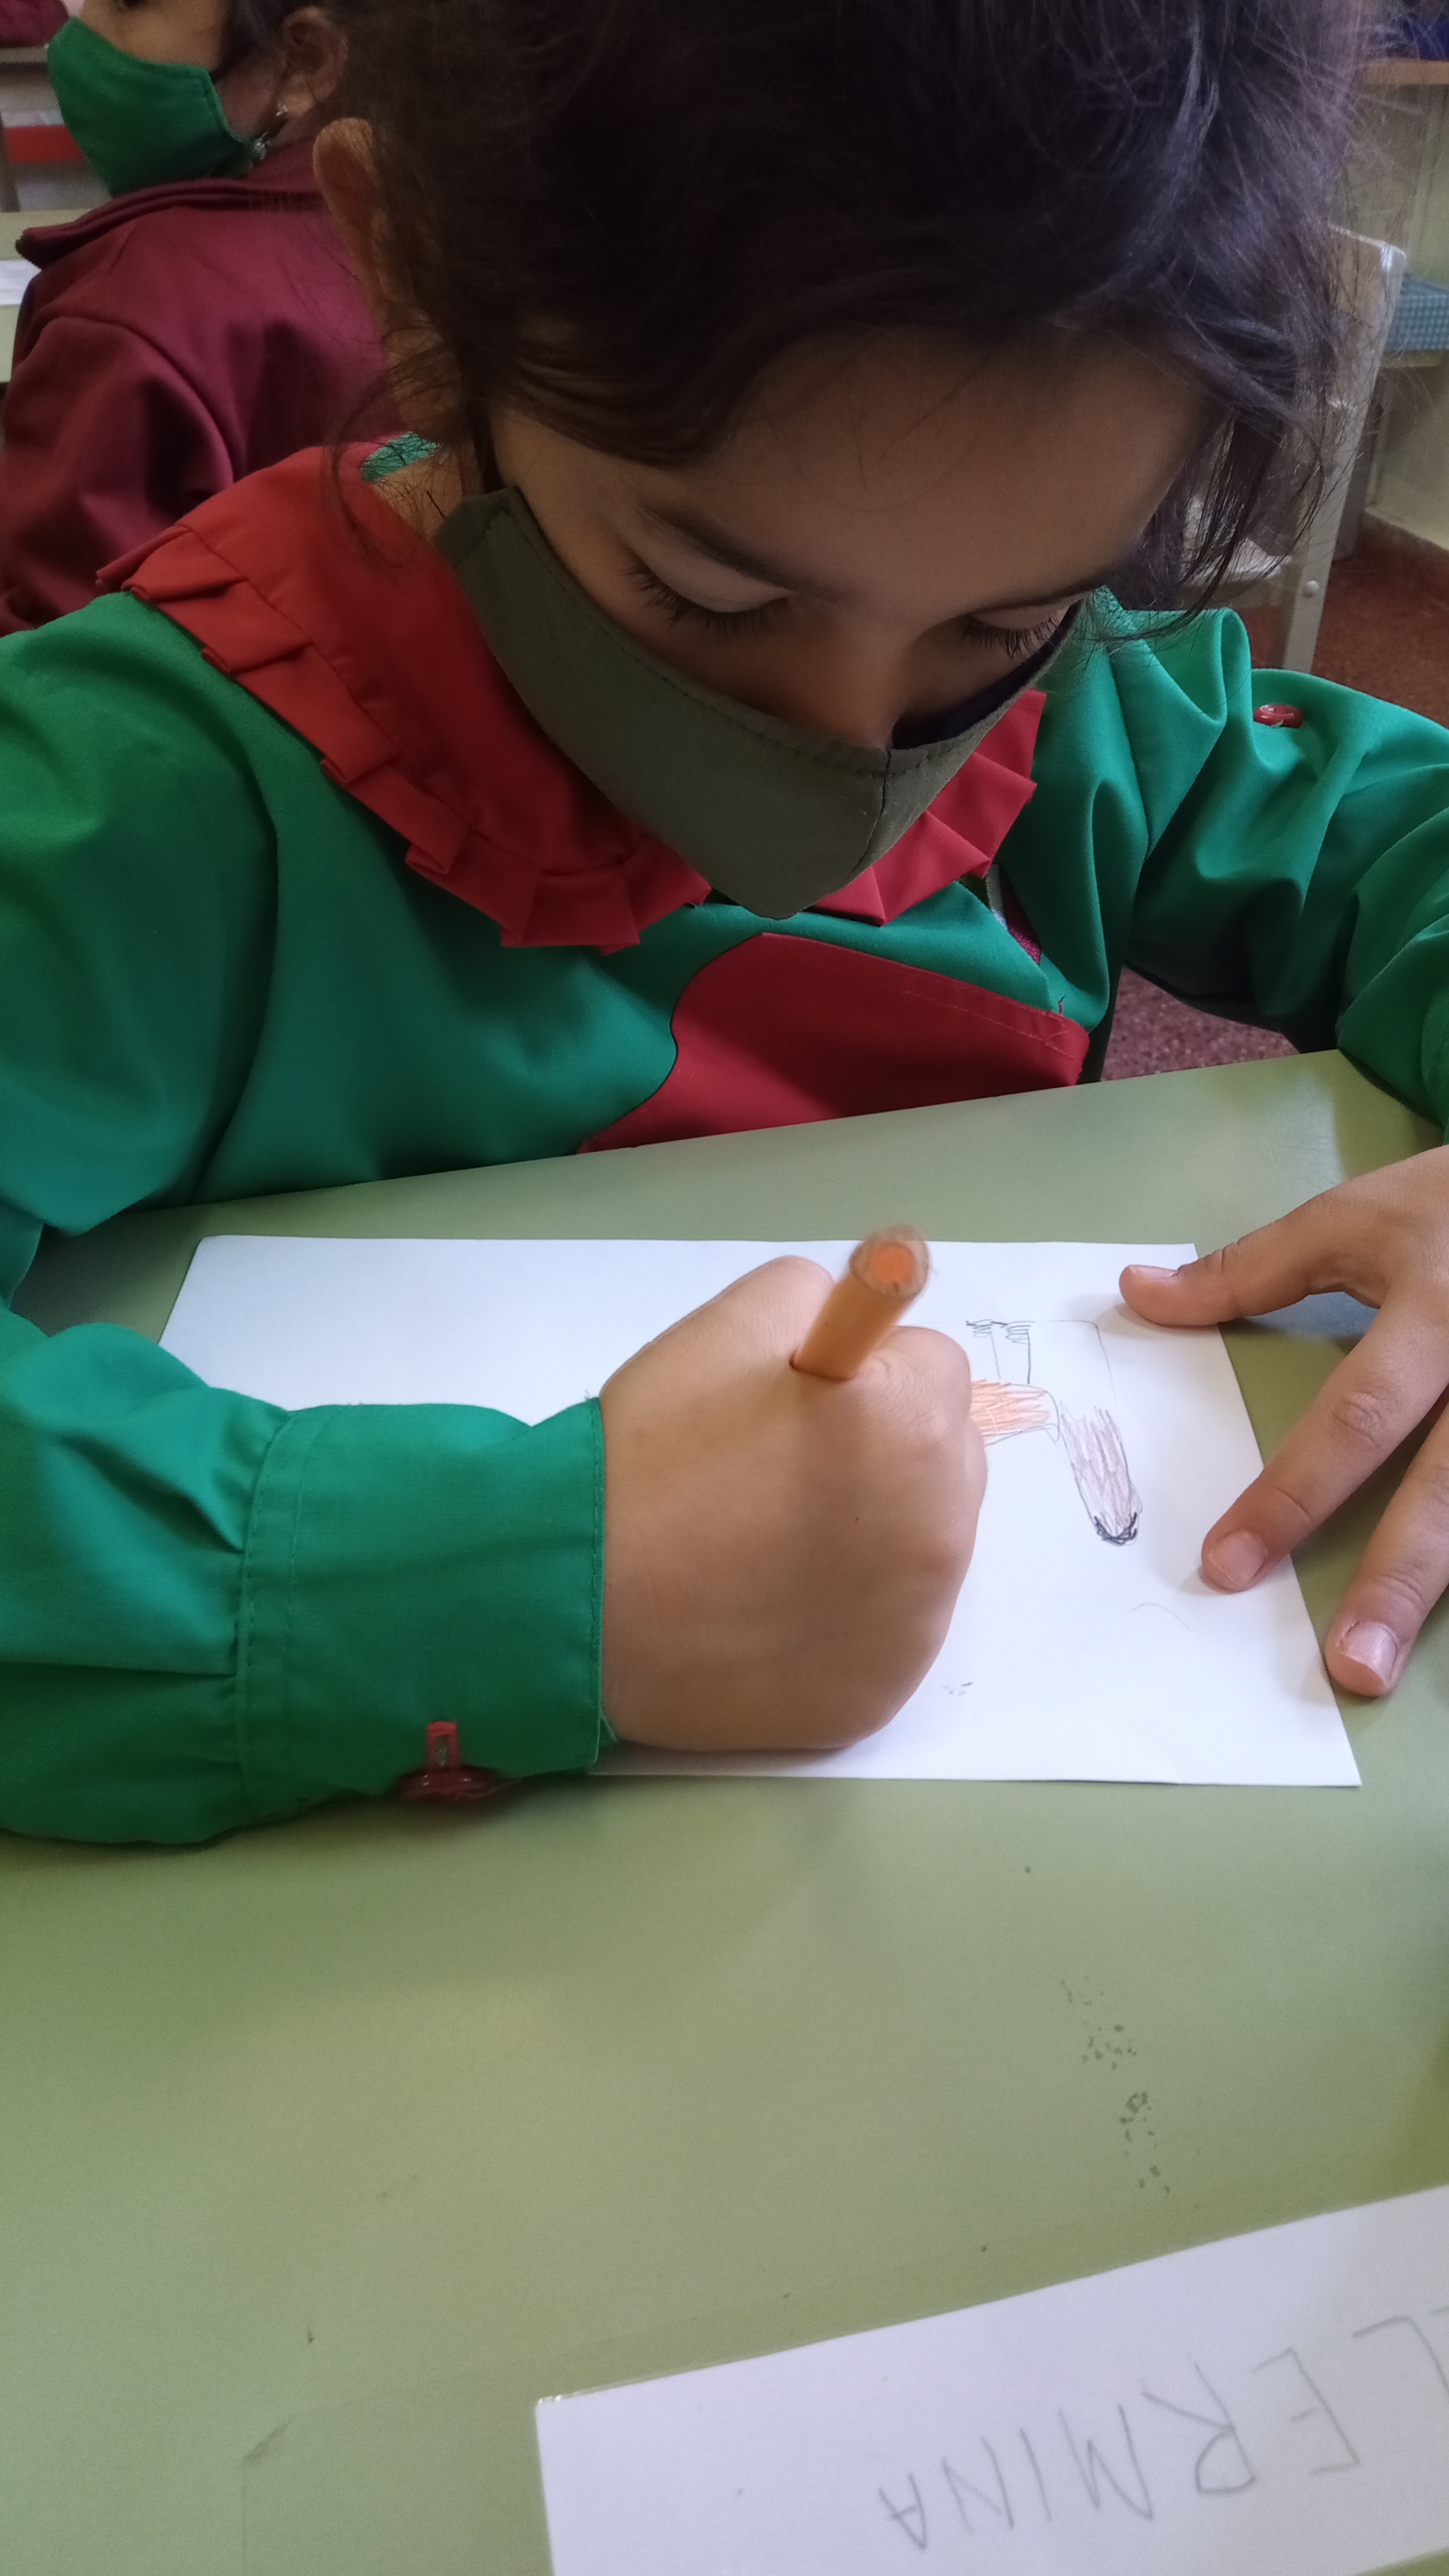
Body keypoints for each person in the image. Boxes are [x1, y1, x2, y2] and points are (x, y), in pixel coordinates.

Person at [2, 0, 1447, 1846]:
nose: (855, 750)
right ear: (414, 286)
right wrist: (536, 1581)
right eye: (711, 596)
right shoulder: (133, 799)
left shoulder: (1101, 713)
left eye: (1000, 625)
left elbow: (1397, 833)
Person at [0, 0, 385, 631]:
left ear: (305, 59)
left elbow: (58, 646)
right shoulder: (421, 230)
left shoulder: (122, 317)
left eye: (129, 3)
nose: (81, 32)